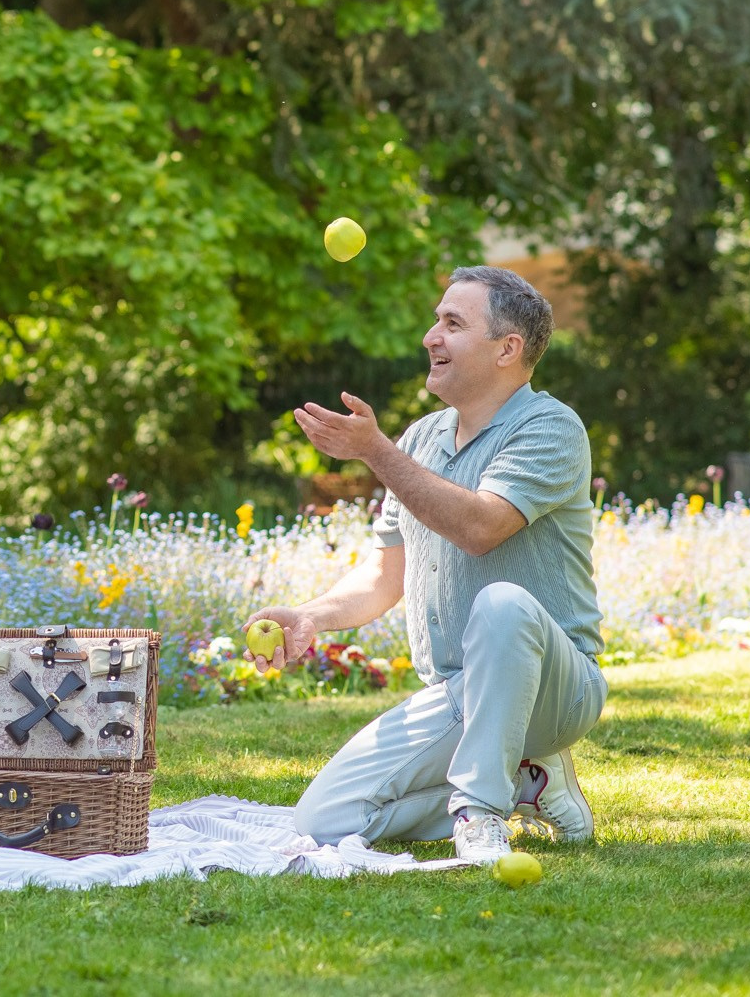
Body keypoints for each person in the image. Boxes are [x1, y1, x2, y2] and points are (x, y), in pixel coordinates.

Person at [246, 266, 605, 865]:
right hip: (458, 691)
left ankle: (480, 812)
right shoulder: (420, 439)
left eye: (452, 323)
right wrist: (310, 616)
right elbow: (385, 576)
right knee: (324, 821)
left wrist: (374, 451)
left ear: (507, 349)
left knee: (504, 602)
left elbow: (479, 528)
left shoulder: (551, 427)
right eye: (437, 320)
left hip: (553, 689)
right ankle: (529, 786)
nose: (430, 336)